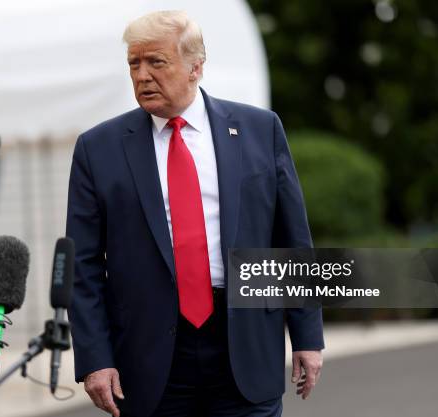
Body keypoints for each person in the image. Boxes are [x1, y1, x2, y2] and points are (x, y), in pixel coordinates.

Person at [66, 10, 324, 417]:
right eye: (134, 63)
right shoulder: (98, 149)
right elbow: (82, 267)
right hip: (149, 356)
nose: (143, 75)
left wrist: (308, 336)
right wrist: (95, 357)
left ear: (195, 67)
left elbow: (291, 240)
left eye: (157, 62)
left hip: (245, 341)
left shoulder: (261, 129)